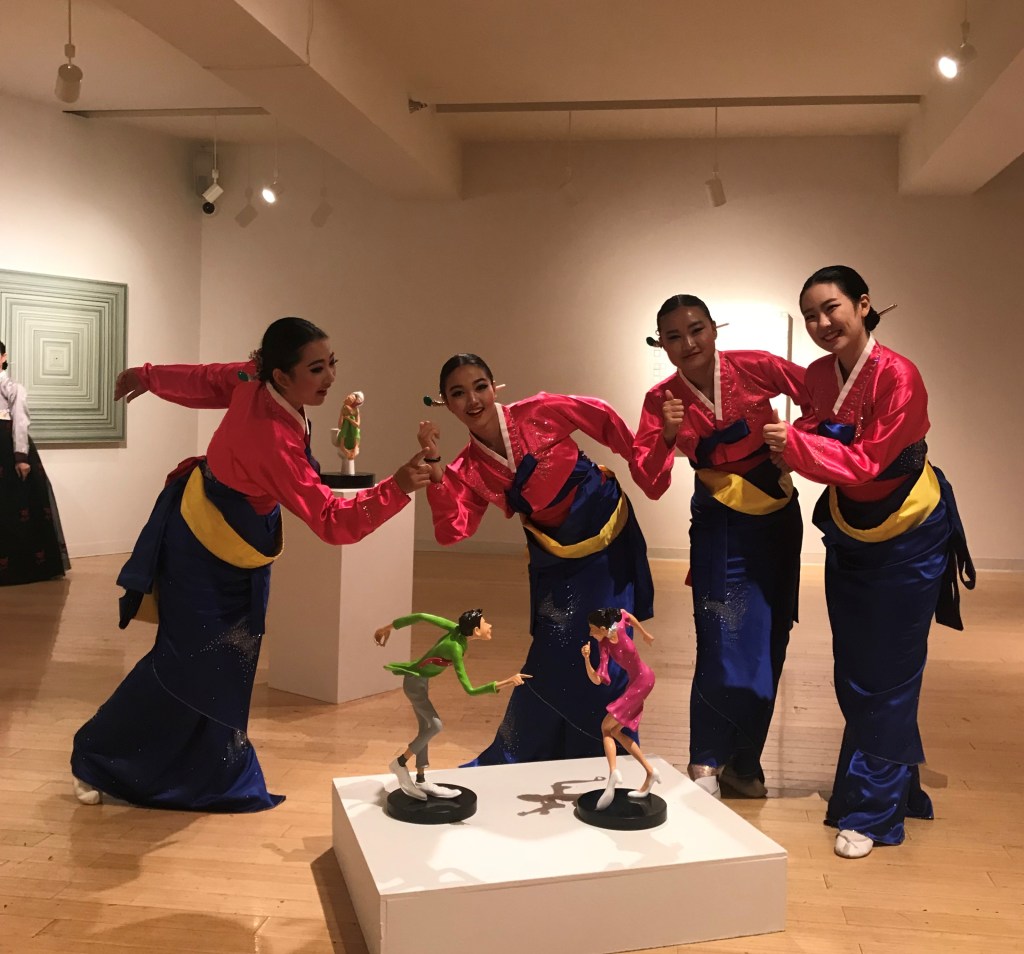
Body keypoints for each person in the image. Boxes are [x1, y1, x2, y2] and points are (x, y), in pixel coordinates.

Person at [71, 317, 432, 812]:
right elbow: (332, 521)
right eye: (316, 369)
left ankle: (207, 765)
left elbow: (208, 380)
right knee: (185, 658)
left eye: (331, 364)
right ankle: (98, 754)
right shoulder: (271, 438)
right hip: (201, 544)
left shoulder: (256, 379)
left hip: (243, 538)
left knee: (230, 657)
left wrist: (149, 377)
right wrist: (397, 487)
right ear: (280, 375)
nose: (330, 377)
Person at [763, 266, 974, 858]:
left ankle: (874, 812)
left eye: (830, 308)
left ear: (862, 304)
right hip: (850, 530)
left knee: (889, 670)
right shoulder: (817, 375)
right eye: (810, 315)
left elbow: (869, 460)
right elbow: (814, 430)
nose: (821, 323)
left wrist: (796, 445)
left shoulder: (898, 375)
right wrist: (791, 443)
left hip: (910, 533)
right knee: (855, 665)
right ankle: (893, 787)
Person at [417, 353, 655, 764]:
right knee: (551, 650)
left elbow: (598, 414)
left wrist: (639, 456)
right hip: (552, 554)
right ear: (446, 403)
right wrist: (437, 475)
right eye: (458, 393)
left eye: (479, 387)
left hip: (604, 538)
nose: (472, 400)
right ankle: (525, 752)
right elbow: (453, 530)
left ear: (494, 387)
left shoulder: (539, 411)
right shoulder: (469, 466)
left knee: (606, 642)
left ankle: (606, 753)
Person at [630, 295, 809, 798]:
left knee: (770, 637)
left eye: (696, 330)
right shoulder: (660, 398)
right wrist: (667, 435)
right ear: (661, 344)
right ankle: (705, 761)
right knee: (719, 635)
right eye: (673, 337)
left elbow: (820, 396)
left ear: (714, 329)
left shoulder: (755, 366)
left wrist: (798, 443)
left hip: (776, 513)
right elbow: (648, 480)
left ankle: (745, 764)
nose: (688, 343)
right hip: (718, 521)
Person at [374, 609, 529, 799]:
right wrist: (507, 682)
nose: (490, 626)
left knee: (425, 728)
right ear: (476, 631)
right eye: (485, 623)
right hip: (414, 683)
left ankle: (421, 779)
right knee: (435, 726)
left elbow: (422, 616)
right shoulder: (455, 648)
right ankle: (400, 763)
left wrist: (388, 628)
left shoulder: (457, 632)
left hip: (421, 682)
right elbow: (470, 690)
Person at [0, 340, 71, 586]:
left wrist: (20, 456)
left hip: (6, 448)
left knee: (13, 506)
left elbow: (20, 420)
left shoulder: (12, 387)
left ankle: (22, 568)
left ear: (3, 357)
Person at [581, 607, 658, 809]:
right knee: (614, 731)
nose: (590, 633)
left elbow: (626, 614)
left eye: (592, 629)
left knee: (605, 728)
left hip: (642, 681)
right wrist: (587, 659)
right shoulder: (604, 645)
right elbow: (597, 679)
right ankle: (650, 772)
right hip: (638, 681)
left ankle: (613, 772)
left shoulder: (617, 628)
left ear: (602, 628)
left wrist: (644, 633)